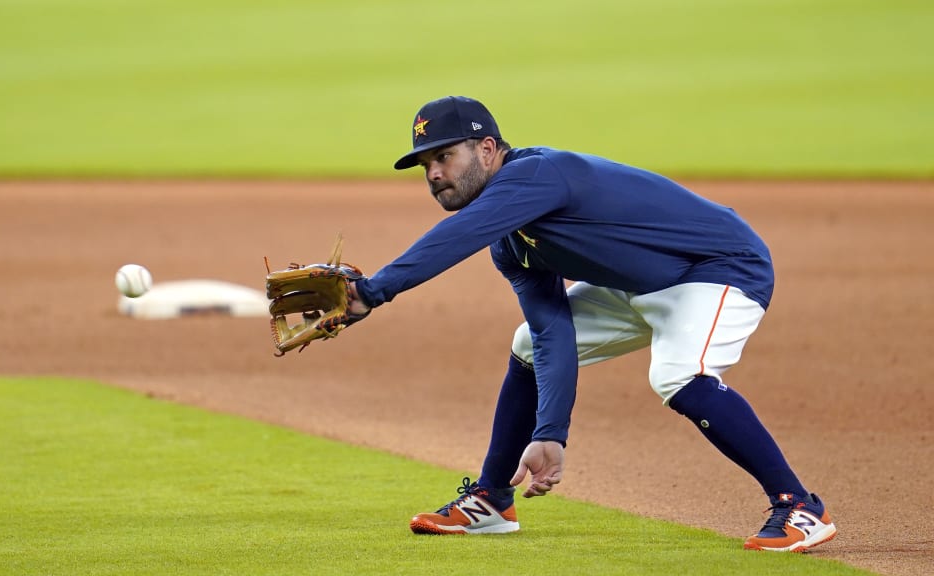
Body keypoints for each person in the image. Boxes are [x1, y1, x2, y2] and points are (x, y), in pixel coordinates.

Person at [346, 96, 836, 552]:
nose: (433, 173)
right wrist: (550, 434)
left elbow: (460, 233)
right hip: (640, 284)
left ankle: (800, 506)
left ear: (488, 149)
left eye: (444, 156)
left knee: (678, 376)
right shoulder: (511, 245)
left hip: (718, 267)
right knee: (527, 345)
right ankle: (493, 499)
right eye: (425, 165)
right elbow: (550, 332)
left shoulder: (537, 174)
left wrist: (374, 291)